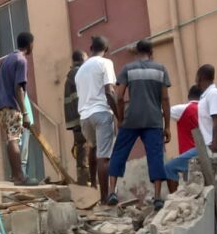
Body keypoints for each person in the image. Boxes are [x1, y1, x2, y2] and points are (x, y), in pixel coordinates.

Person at [108, 39, 171, 209]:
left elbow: (119, 97)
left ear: (136, 53)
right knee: (155, 155)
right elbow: (165, 98)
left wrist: (120, 119)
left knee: (119, 152)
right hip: (153, 120)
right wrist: (167, 127)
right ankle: (158, 197)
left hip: (132, 119)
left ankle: (111, 191)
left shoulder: (128, 69)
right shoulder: (161, 69)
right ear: (151, 53)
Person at [164, 64, 217, 182]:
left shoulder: (213, 94)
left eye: (197, 77)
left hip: (209, 147)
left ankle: (175, 199)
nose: (195, 81)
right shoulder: (206, 97)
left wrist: (214, 143)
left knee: (169, 168)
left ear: (201, 77)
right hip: (205, 146)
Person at [76, 36, 118, 204]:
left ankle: (93, 187)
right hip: (101, 112)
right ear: (106, 50)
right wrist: (118, 115)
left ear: (91, 47)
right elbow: (109, 90)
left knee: (93, 148)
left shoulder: (80, 70)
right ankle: (104, 199)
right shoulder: (105, 63)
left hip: (85, 117)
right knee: (105, 157)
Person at [0, 32, 35, 184]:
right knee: (14, 139)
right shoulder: (21, 60)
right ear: (30, 44)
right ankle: (19, 176)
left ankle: (15, 175)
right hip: (11, 105)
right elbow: (18, 88)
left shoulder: (7, 59)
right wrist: (25, 112)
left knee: (10, 139)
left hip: (0, 106)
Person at [64, 49, 89, 185]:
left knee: (81, 149)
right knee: (84, 150)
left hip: (76, 119)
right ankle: (86, 183)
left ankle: (84, 181)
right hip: (81, 118)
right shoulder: (79, 73)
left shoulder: (71, 74)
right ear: (82, 59)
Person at [171, 85, 201, 155]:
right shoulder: (206, 110)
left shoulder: (183, 109)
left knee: (167, 166)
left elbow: (162, 111)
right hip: (205, 152)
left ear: (188, 96)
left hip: (187, 153)